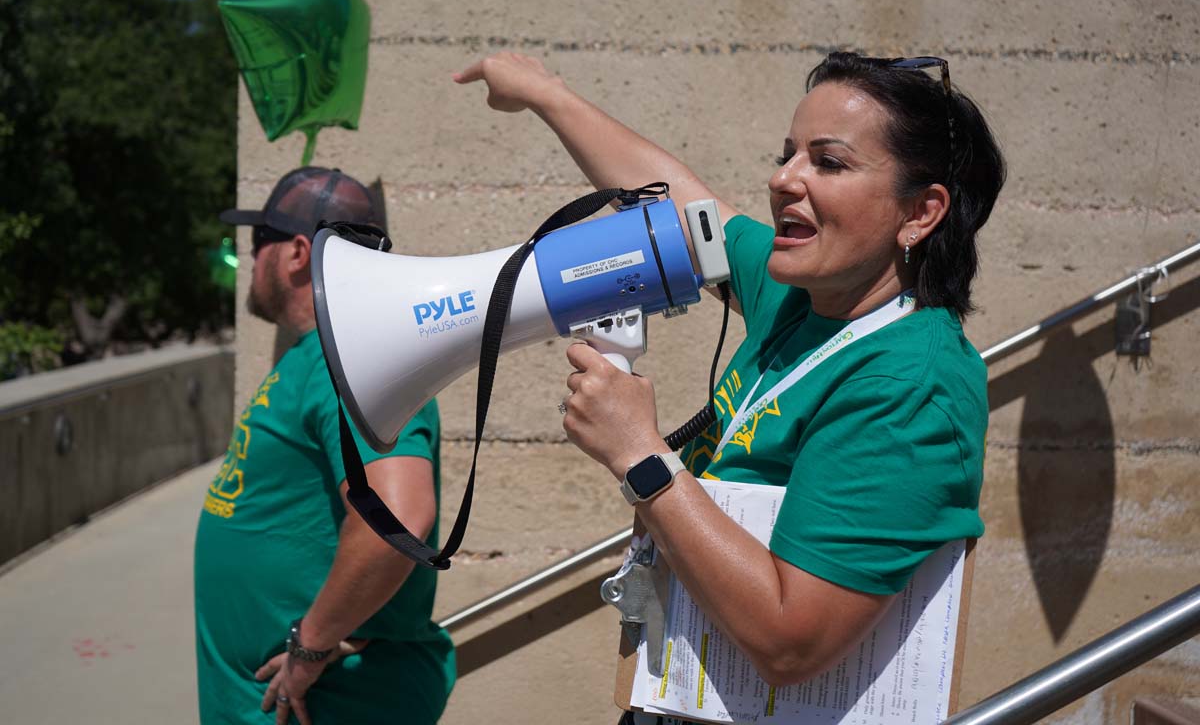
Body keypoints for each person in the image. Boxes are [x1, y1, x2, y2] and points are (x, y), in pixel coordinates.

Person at [453, 52, 1004, 696]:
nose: (782, 179)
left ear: (921, 213)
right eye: (788, 153)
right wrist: (547, 95)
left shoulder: (910, 388)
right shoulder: (801, 295)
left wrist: (641, 456)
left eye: (828, 162)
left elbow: (792, 642)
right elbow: (682, 207)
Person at [195, 167, 455, 725]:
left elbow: (398, 520)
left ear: (294, 253)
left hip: (326, 705)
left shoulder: (355, 361)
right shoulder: (321, 357)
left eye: (254, 243)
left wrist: (309, 648)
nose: (247, 261)